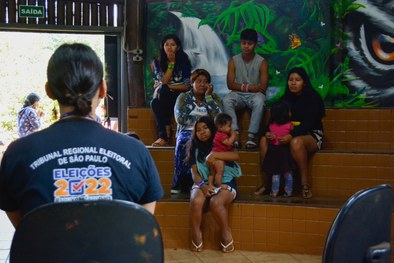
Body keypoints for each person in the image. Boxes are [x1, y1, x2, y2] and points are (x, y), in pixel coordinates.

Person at [0, 43, 164, 228]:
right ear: (102, 89)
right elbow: (142, 226)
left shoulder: (17, 154)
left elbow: (27, 230)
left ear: (49, 91)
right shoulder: (136, 152)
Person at [256, 67, 325, 198]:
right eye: (290, 80)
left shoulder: (313, 99)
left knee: (296, 142)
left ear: (304, 82)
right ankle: (266, 184)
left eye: (297, 80)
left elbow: (309, 124)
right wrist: (268, 133)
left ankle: (305, 185)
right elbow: (271, 121)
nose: (293, 83)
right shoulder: (284, 100)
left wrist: (292, 135)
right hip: (286, 135)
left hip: (311, 134)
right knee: (264, 141)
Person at [187, 116, 241, 253]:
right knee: (196, 201)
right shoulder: (194, 147)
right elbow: (194, 172)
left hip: (225, 181)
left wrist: (216, 155)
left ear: (212, 128)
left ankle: (225, 232)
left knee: (216, 203)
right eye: (198, 130)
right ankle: (196, 233)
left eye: (205, 128)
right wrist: (203, 187)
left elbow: (235, 156)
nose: (202, 132)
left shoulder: (221, 141)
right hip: (202, 181)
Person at [172, 69, 222, 194]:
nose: (202, 84)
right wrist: (203, 121)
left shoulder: (214, 97)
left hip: (209, 131)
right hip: (188, 131)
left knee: (217, 142)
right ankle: (181, 182)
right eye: (199, 81)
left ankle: (209, 180)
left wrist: (208, 98)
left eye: (205, 82)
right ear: (192, 83)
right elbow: (180, 118)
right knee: (184, 142)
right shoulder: (183, 97)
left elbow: (218, 118)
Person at [223, 28, 269, 149]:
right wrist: (250, 87)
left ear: (255, 44)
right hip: (238, 94)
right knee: (227, 100)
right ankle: (235, 134)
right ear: (240, 43)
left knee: (260, 100)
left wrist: (243, 87)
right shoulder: (233, 60)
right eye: (244, 43)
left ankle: (251, 137)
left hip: (255, 95)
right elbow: (230, 84)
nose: (246, 46)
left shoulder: (262, 62)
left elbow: (263, 87)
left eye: (250, 43)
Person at [151, 34, 192, 147]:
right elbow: (163, 82)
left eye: (172, 45)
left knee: (163, 90)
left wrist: (169, 86)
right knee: (154, 102)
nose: (169, 47)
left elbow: (186, 86)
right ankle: (163, 135)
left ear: (178, 47)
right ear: (163, 47)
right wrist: (171, 64)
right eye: (166, 45)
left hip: (180, 96)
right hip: (165, 96)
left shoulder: (184, 61)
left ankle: (165, 132)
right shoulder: (157, 61)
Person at [262, 100, 295, 197]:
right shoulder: (290, 125)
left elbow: (266, 132)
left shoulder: (271, 125)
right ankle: (288, 191)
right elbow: (295, 133)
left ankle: (274, 192)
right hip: (285, 152)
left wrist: (268, 134)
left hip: (273, 152)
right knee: (288, 173)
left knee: (275, 174)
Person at [208, 113, 237, 190]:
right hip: (217, 158)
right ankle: (219, 185)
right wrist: (233, 135)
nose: (230, 128)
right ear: (220, 127)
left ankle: (210, 184)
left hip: (212, 155)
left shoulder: (217, 134)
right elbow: (228, 143)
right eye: (229, 126)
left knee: (212, 173)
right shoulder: (222, 135)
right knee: (219, 172)